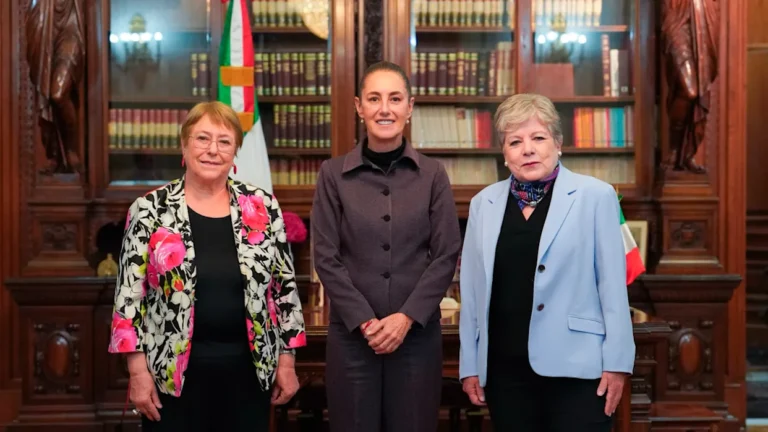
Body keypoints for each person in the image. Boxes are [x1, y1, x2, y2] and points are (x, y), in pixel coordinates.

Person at [108, 101, 306, 432]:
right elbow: (128, 300)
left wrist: (287, 362)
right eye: (202, 138)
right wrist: (138, 373)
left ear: (235, 152)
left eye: (224, 141)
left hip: (249, 375)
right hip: (171, 377)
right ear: (184, 145)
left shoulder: (263, 207)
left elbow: (284, 289)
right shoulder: (149, 210)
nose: (212, 150)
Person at [458, 93, 635, 431]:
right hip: (504, 373)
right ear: (504, 152)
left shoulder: (595, 196)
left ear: (558, 143)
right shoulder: (483, 204)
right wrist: (470, 365)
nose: (528, 149)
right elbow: (473, 293)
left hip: (580, 371)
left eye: (538, 137)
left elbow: (613, 288)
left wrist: (618, 363)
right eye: (515, 141)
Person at [311, 61, 462, 432]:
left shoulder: (433, 175)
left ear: (409, 108)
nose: (385, 109)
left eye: (395, 99)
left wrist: (405, 319)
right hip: (351, 339)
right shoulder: (332, 175)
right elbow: (326, 257)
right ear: (359, 107)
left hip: (416, 338)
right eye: (374, 98)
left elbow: (445, 255)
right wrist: (365, 322)